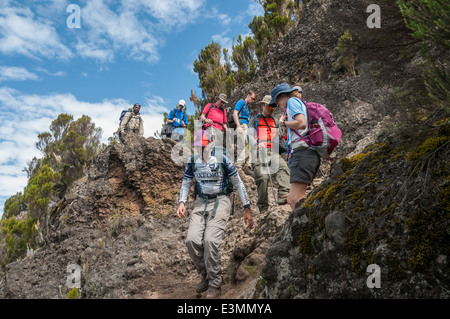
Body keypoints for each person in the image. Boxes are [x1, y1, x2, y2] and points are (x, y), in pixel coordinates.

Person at [176, 129, 253, 299]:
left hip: (221, 201)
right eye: (197, 147)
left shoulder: (222, 159)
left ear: (210, 143)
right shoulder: (192, 161)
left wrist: (247, 208)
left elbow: (238, 183)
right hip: (200, 202)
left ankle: (215, 285)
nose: (200, 150)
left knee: (210, 240)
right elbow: (186, 182)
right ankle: (205, 274)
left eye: (203, 146)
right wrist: (181, 202)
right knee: (191, 240)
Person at [270, 83, 320, 210]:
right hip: (305, 152)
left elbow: (302, 123)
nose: (276, 104)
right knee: (293, 198)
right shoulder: (296, 103)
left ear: (283, 96)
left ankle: (306, 227)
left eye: (276, 100)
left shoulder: (292, 101)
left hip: (303, 152)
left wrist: (283, 123)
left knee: (294, 199)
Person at [248, 95, 290, 213]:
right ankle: (263, 207)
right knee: (262, 178)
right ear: (262, 105)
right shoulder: (254, 120)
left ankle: (283, 195)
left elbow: (280, 136)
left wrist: (280, 127)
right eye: (268, 107)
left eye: (272, 107)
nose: (270, 109)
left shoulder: (275, 121)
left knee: (283, 168)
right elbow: (249, 135)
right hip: (259, 151)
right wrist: (256, 144)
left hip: (273, 150)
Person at [232, 90, 256, 168]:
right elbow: (235, 113)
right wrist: (238, 126)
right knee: (242, 145)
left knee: (249, 145)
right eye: (252, 98)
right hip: (242, 125)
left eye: (254, 100)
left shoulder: (247, 106)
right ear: (248, 95)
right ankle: (239, 165)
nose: (253, 101)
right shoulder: (241, 102)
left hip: (247, 126)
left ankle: (247, 165)